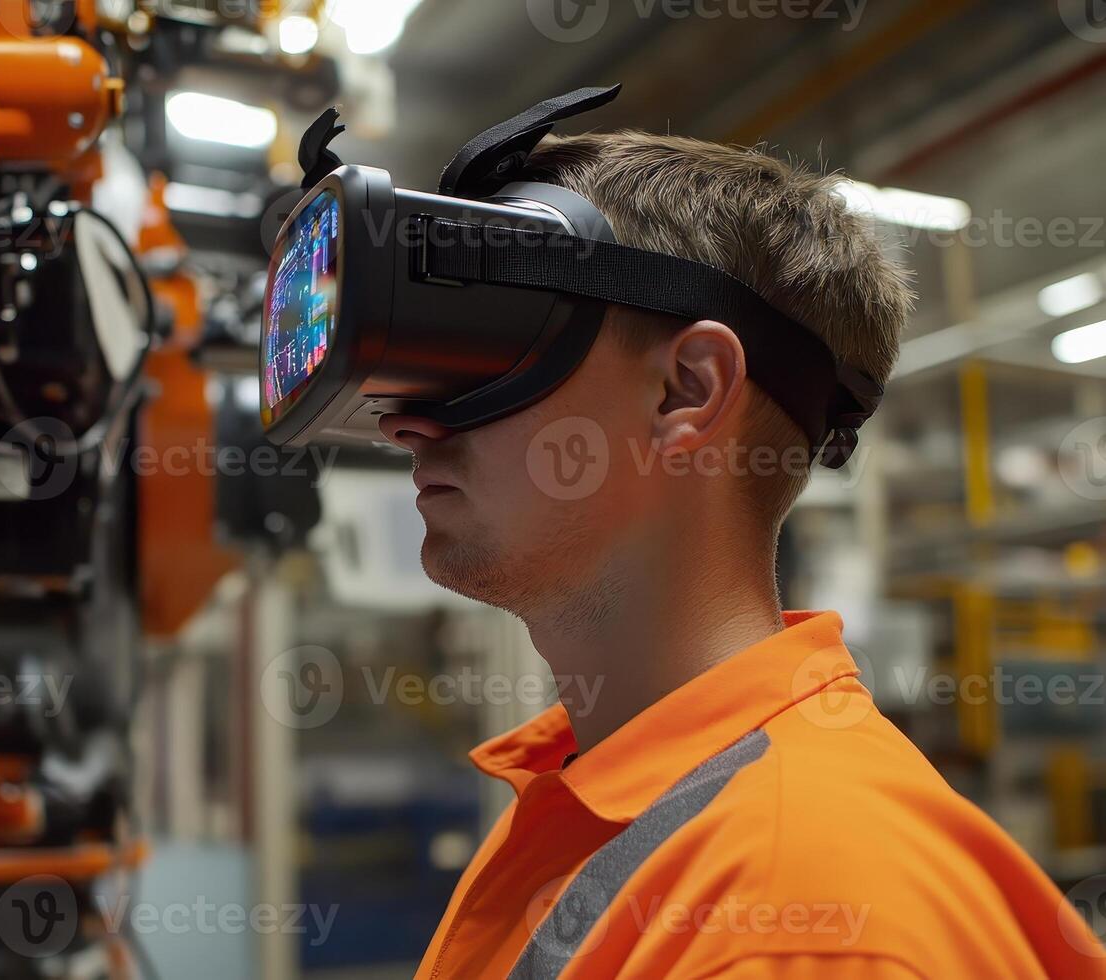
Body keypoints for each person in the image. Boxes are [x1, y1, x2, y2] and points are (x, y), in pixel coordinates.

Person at [377, 131, 1106, 978]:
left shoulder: (799, 913)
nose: (409, 423)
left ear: (686, 390)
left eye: (499, 346)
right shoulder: (596, 803)